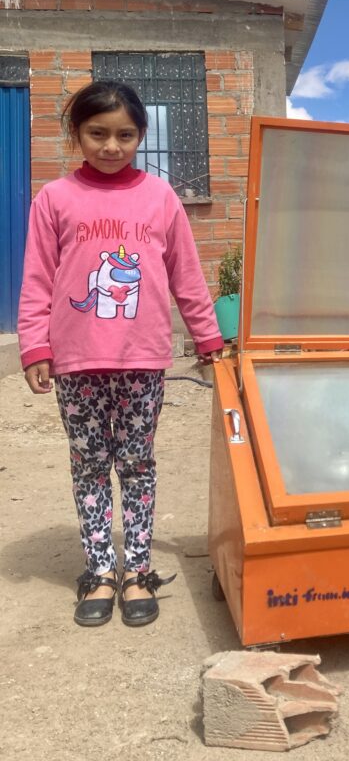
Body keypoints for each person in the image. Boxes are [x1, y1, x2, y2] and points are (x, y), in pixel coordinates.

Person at [17, 81, 224, 628]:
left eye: (125, 135)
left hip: (142, 359)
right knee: (89, 466)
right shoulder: (54, 199)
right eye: (98, 133)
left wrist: (208, 339)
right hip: (77, 361)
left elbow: (187, 276)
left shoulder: (161, 198)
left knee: (136, 464)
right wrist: (34, 344)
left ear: (140, 136)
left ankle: (136, 569)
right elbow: (37, 278)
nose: (111, 146)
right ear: (76, 134)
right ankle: (100, 571)